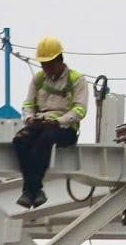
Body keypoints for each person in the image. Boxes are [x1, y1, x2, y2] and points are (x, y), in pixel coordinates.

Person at [13, 36, 90, 208]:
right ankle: (35, 189)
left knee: (45, 140)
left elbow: (80, 110)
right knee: (20, 140)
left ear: (59, 61)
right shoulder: (39, 79)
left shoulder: (77, 80)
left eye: (48, 64)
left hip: (66, 128)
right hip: (40, 123)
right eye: (43, 64)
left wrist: (58, 122)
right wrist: (29, 118)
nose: (45, 68)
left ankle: (29, 189)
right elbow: (28, 104)